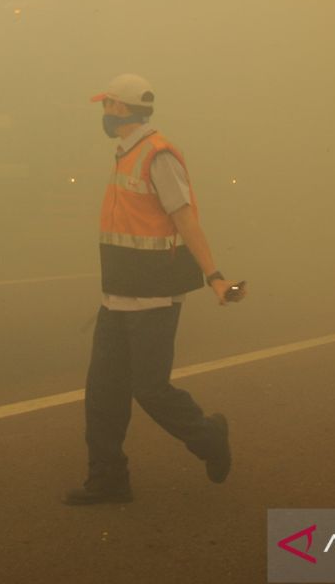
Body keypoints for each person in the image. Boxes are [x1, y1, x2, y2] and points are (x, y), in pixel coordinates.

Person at [64, 73, 247, 506]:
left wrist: (215, 276)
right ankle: (108, 480)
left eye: (106, 105)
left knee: (150, 389)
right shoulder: (125, 153)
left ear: (122, 110)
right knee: (103, 394)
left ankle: (208, 437)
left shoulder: (157, 155)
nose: (103, 113)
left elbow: (185, 219)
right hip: (118, 297)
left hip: (153, 299)